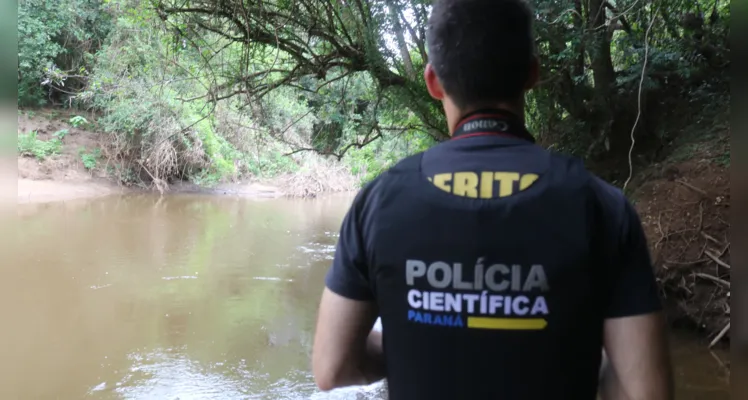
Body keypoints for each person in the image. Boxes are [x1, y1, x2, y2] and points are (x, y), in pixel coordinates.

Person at [311, 0, 674, 399]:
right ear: (532, 75)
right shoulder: (602, 207)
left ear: (433, 82)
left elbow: (333, 366)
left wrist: (411, 343)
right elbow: (646, 393)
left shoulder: (377, 204)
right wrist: (581, 351)